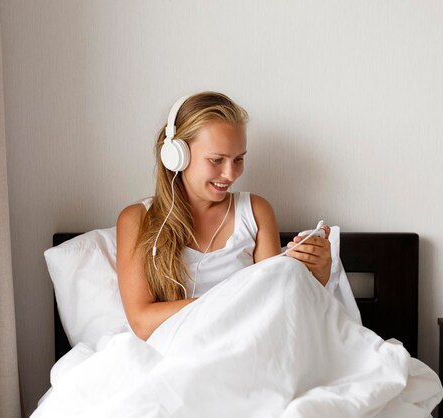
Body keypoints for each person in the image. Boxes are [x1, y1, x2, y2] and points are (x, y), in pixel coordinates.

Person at [116, 92, 332, 341]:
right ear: (176, 156)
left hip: (246, 346)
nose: (230, 174)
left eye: (239, 159)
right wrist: (235, 301)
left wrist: (318, 275)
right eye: (216, 160)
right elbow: (143, 322)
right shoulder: (137, 220)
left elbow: (273, 306)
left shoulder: (256, 211)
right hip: (176, 352)